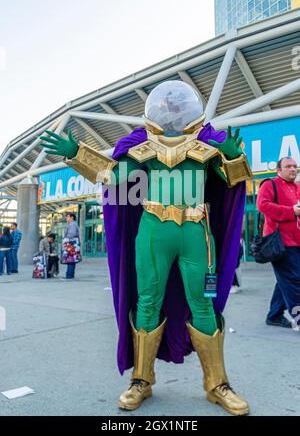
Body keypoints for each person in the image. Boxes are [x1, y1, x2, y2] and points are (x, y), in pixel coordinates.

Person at [40, 80, 252, 416]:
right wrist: (76, 155)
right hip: (153, 230)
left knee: (203, 305)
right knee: (147, 301)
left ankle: (217, 383)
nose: (172, 111)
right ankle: (142, 379)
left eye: (177, 105)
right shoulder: (142, 145)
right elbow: (113, 176)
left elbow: (235, 183)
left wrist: (233, 156)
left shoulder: (207, 143)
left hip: (196, 231)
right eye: (166, 105)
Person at [257, 157, 300, 329]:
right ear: (279, 170)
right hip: (281, 242)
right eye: (288, 166)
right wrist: (291, 211)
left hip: (297, 241)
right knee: (294, 279)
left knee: (286, 279)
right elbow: (263, 206)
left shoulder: (297, 187)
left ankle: (274, 315)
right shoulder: (270, 184)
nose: (293, 169)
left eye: (295, 166)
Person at [63, 213, 80, 279]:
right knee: (72, 260)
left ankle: (69, 275)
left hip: (71, 244)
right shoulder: (73, 224)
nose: (66, 218)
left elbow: (72, 234)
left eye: (67, 217)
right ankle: (70, 274)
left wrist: (65, 238)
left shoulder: (72, 224)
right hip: (72, 244)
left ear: (72, 217)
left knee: (70, 259)